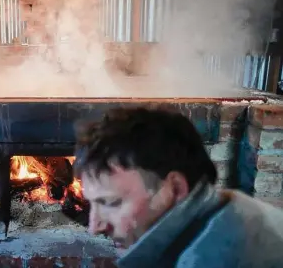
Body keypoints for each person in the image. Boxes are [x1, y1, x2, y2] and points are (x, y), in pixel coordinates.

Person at [73, 107, 283, 268]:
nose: (94, 227)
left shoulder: (216, 257)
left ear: (174, 189)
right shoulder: (222, 208)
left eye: (111, 203)